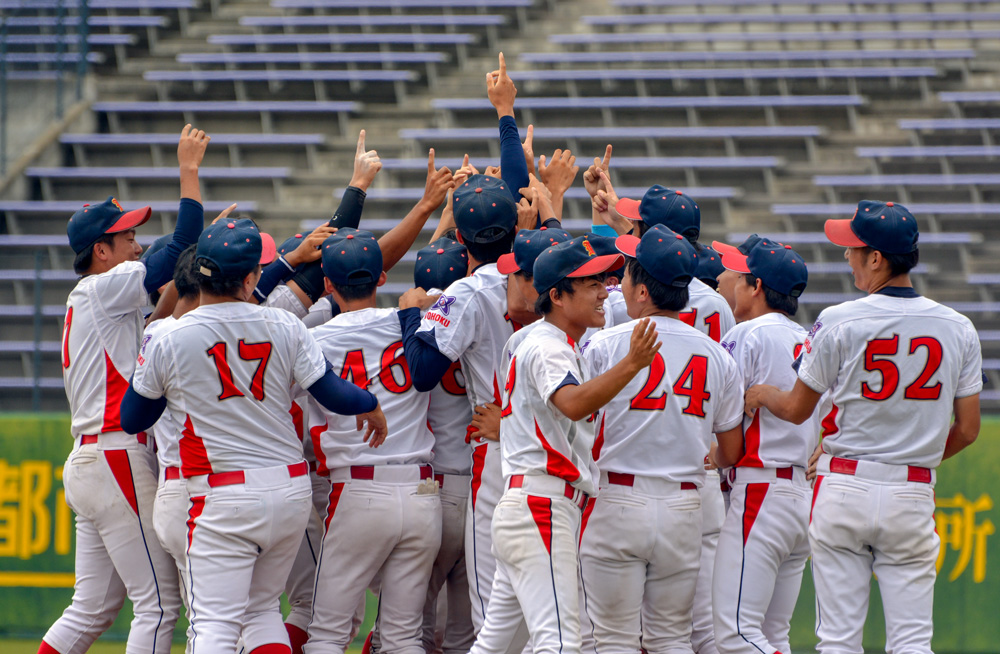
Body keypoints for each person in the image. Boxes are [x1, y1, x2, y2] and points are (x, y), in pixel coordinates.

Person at [121, 218, 387, 654]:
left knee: (214, 628)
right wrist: (368, 403)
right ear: (249, 278)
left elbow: (134, 418)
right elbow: (332, 393)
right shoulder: (283, 324)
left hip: (222, 495)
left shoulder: (168, 335)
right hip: (288, 491)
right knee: (263, 614)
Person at [745, 200, 983, 654]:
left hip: (844, 486)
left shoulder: (839, 319)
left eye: (853, 248)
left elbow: (796, 409)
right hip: (912, 489)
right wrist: (920, 454)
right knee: (913, 641)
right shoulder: (959, 327)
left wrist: (760, 394)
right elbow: (968, 429)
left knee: (837, 641)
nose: (847, 256)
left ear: (877, 258)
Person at [41, 124, 209, 654]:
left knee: (90, 609)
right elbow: (179, 243)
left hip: (92, 460)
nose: (136, 244)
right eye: (127, 237)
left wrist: (190, 267)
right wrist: (188, 172)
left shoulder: (97, 297)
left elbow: (158, 307)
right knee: (159, 605)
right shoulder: (102, 286)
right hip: (115, 458)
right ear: (101, 251)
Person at [471, 236, 659, 654]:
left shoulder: (551, 342)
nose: (604, 292)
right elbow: (572, 404)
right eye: (590, 284)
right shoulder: (547, 345)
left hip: (533, 504)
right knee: (559, 643)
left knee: (495, 645)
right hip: (541, 505)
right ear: (556, 295)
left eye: (604, 281)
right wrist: (631, 363)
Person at [580, 225, 744, 654]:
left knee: (613, 639)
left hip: (617, 499)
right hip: (684, 505)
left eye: (629, 273)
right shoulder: (717, 354)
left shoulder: (605, 343)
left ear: (640, 292)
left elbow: (576, 419)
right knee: (671, 639)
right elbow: (731, 452)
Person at [304, 228, 441, 654]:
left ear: (327, 285)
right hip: (423, 491)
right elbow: (453, 291)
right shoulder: (411, 322)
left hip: (358, 489)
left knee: (327, 634)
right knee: (403, 639)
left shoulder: (311, 340)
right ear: (381, 278)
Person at [710, 237, 817, 654]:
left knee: (736, 633)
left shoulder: (746, 334)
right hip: (800, 495)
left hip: (759, 489)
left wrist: (714, 456)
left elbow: (722, 417)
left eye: (739, 277)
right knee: (773, 636)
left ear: (755, 286)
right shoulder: (811, 338)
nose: (730, 283)